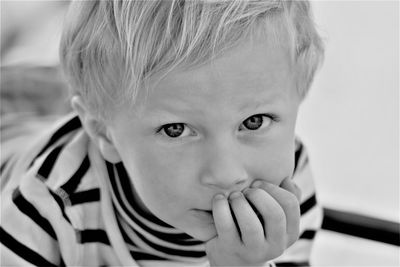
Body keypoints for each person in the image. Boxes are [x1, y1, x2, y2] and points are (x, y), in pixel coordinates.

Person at [0, 0, 324, 266]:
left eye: (254, 122)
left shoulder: (287, 187)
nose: (227, 174)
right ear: (104, 133)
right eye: (175, 129)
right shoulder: (46, 206)